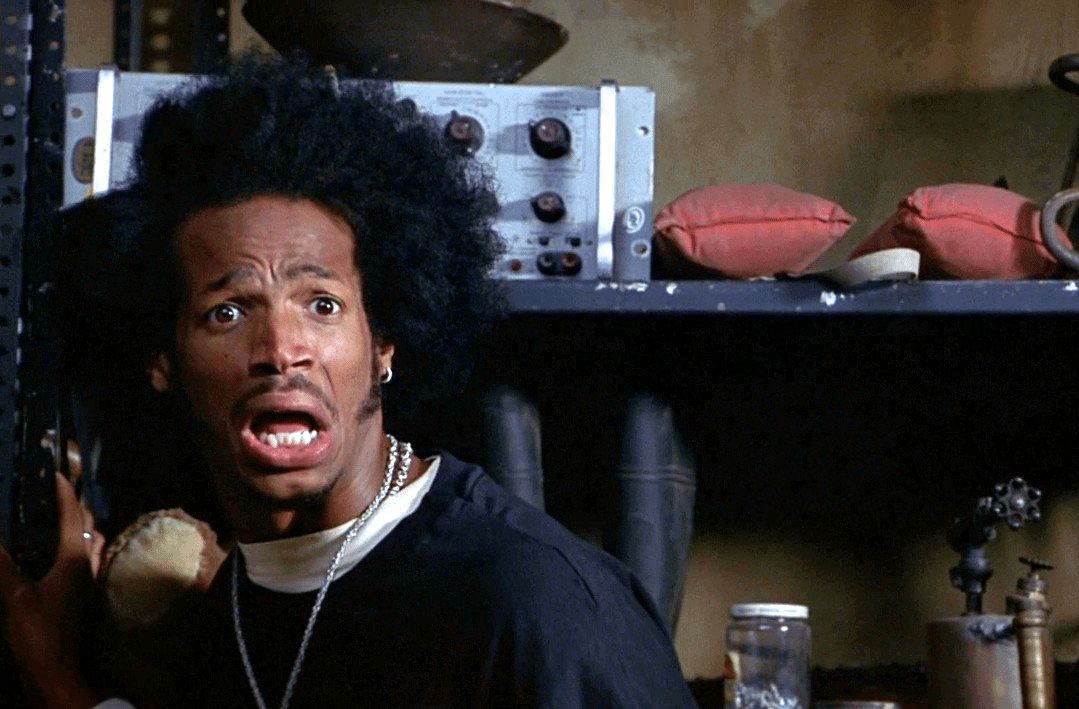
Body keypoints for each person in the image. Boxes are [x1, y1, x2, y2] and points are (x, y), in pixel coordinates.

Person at [0, 55, 699, 709]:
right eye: (228, 311)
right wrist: (61, 673)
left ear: (383, 341)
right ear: (163, 359)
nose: (282, 350)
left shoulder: (539, 604)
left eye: (323, 305)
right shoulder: (229, 602)